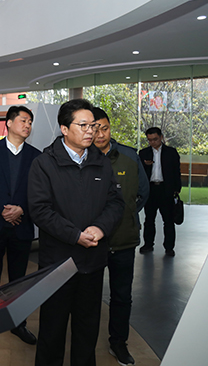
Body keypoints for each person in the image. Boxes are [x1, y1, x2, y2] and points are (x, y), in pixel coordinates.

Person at [28, 99, 124, 366]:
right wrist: (75, 235)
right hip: (57, 264)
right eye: (83, 125)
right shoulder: (44, 164)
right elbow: (40, 210)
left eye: (93, 125)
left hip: (92, 263)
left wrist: (100, 228)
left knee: (87, 330)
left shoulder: (101, 162)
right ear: (64, 129)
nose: (91, 131)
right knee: (52, 331)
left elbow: (116, 203)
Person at [93, 107, 149, 366]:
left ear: (110, 128)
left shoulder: (129, 156)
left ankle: (118, 343)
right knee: (88, 297)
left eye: (104, 128)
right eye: (94, 129)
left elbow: (143, 193)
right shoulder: (83, 157)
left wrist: (125, 216)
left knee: (122, 296)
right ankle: (85, 343)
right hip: (92, 242)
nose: (100, 134)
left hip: (124, 240)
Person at [0, 105, 41, 345]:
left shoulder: (36, 156)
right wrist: (1, 210)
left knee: (19, 280)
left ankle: (19, 324)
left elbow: (39, 191)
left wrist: (22, 209)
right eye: (23, 121)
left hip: (22, 225)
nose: (27, 126)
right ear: (8, 123)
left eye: (30, 122)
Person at [139, 127, 182, 257]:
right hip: (150, 190)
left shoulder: (171, 152)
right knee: (149, 219)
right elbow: (139, 172)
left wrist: (176, 189)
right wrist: (146, 165)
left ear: (161, 137)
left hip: (166, 190)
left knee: (168, 220)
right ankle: (148, 244)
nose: (153, 142)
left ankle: (169, 247)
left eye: (155, 139)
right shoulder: (143, 153)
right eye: (150, 140)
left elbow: (176, 172)